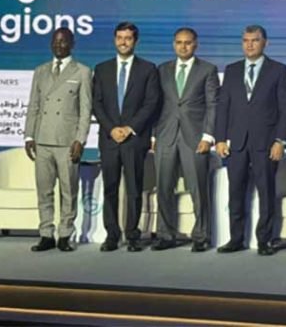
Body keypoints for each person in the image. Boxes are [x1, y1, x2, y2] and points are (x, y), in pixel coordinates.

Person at [215, 25, 286, 256]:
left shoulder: (278, 70)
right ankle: (235, 239)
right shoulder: (231, 70)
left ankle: (265, 240)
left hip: (266, 143)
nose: (249, 45)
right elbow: (223, 107)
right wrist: (220, 138)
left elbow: (285, 109)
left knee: (266, 194)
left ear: (265, 43)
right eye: (246, 40)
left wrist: (280, 140)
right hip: (237, 143)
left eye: (255, 40)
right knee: (235, 193)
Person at [92, 22, 160, 253]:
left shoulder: (148, 69)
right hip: (109, 139)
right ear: (114, 39)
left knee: (134, 189)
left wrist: (130, 128)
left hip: (134, 140)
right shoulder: (102, 69)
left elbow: (151, 103)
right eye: (120, 37)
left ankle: (132, 235)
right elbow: (97, 104)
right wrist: (112, 129)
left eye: (128, 38)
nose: (123, 42)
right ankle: (112, 235)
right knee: (110, 188)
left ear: (135, 41)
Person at [24, 27, 92, 252]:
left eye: (63, 41)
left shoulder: (82, 71)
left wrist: (80, 139)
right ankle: (46, 234)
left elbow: (85, 110)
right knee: (44, 191)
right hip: (42, 140)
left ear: (72, 44)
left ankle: (65, 234)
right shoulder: (41, 71)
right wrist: (29, 135)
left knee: (68, 191)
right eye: (55, 41)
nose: (58, 45)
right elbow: (34, 105)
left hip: (67, 141)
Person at [152, 27, 219, 253]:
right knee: (163, 187)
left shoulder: (207, 70)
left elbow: (213, 105)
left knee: (198, 188)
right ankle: (165, 234)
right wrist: (154, 134)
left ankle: (201, 236)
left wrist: (208, 136)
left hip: (195, 137)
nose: (183, 46)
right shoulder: (162, 70)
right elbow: (156, 104)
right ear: (174, 44)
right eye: (179, 42)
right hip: (166, 135)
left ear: (195, 44)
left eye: (188, 42)